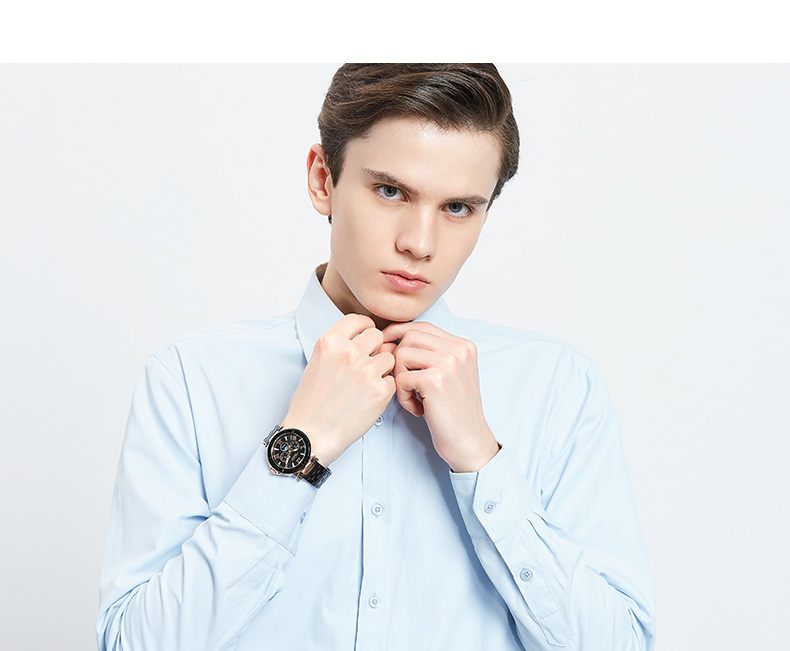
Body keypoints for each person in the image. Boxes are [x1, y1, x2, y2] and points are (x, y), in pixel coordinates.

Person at [97, 63, 655, 650]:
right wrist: (300, 448)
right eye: (391, 192)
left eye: (458, 208)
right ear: (323, 179)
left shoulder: (558, 387)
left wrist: (481, 460)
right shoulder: (190, 380)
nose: (420, 243)